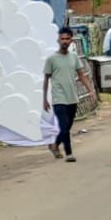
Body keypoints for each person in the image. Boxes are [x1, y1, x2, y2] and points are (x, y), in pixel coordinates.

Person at [42, 26, 89, 161]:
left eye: (67, 39)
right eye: (62, 39)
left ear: (71, 40)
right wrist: (44, 99)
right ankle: (69, 153)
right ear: (58, 40)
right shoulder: (51, 59)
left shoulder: (74, 57)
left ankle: (55, 145)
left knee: (67, 127)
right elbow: (46, 79)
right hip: (59, 98)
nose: (65, 41)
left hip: (72, 97)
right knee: (64, 127)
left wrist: (90, 89)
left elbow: (81, 75)